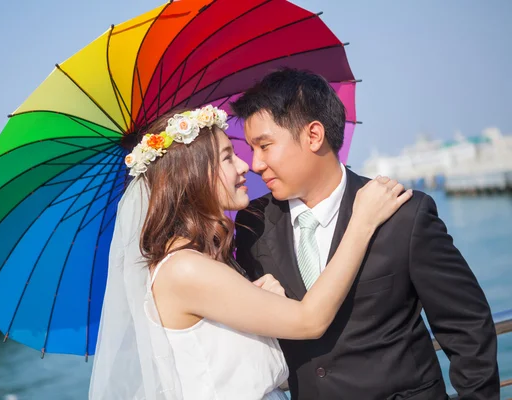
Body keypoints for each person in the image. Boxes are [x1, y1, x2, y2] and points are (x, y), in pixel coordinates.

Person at [89, 104, 412, 399]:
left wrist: (261, 298)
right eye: (228, 157)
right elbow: (309, 321)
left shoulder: (197, 261)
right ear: (193, 175)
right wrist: (362, 223)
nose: (246, 165)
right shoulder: (185, 269)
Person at [231, 68, 500, 400]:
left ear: (313, 135)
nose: (255, 163)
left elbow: (467, 328)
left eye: (265, 146)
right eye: (251, 149)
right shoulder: (251, 226)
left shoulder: (404, 214)